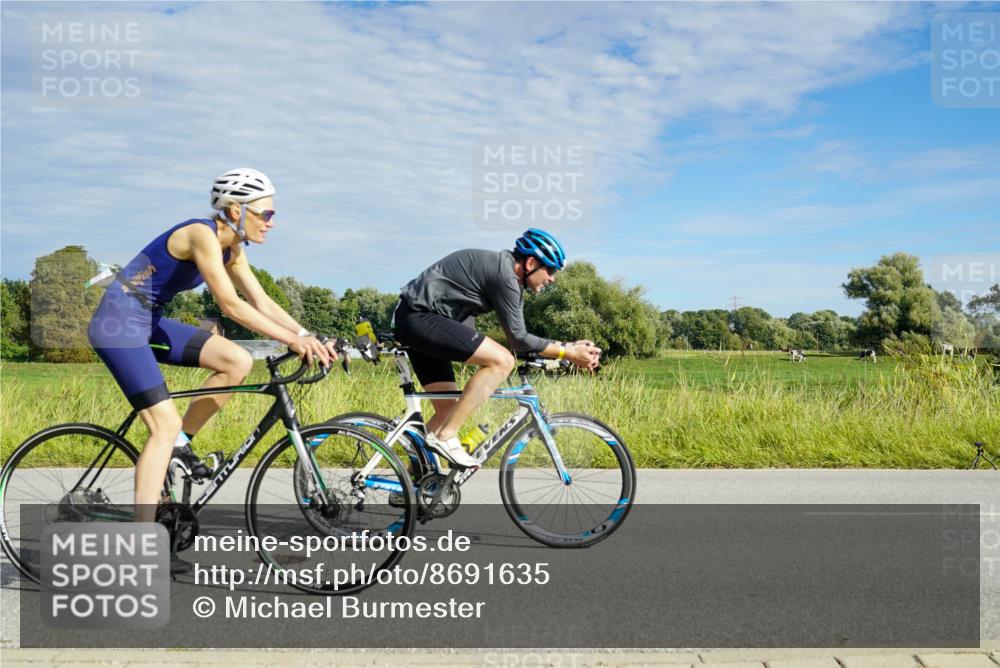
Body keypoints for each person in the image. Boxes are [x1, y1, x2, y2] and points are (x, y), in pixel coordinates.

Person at [87, 168, 337, 529]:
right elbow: (231, 305)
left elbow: (261, 301)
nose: (271, 223)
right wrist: (291, 341)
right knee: (164, 424)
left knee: (237, 360)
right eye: (266, 213)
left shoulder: (232, 248)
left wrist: (306, 335)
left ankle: (179, 446)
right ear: (236, 211)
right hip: (118, 324)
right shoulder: (200, 235)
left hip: (148, 321)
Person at [394, 228, 601, 467]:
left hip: (420, 321)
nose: (552, 278)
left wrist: (568, 347)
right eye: (550, 271)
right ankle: (446, 437)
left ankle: (416, 478)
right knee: (503, 361)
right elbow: (519, 339)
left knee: (447, 410)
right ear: (531, 263)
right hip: (420, 318)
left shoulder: (504, 272)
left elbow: (514, 337)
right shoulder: (506, 277)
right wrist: (567, 352)